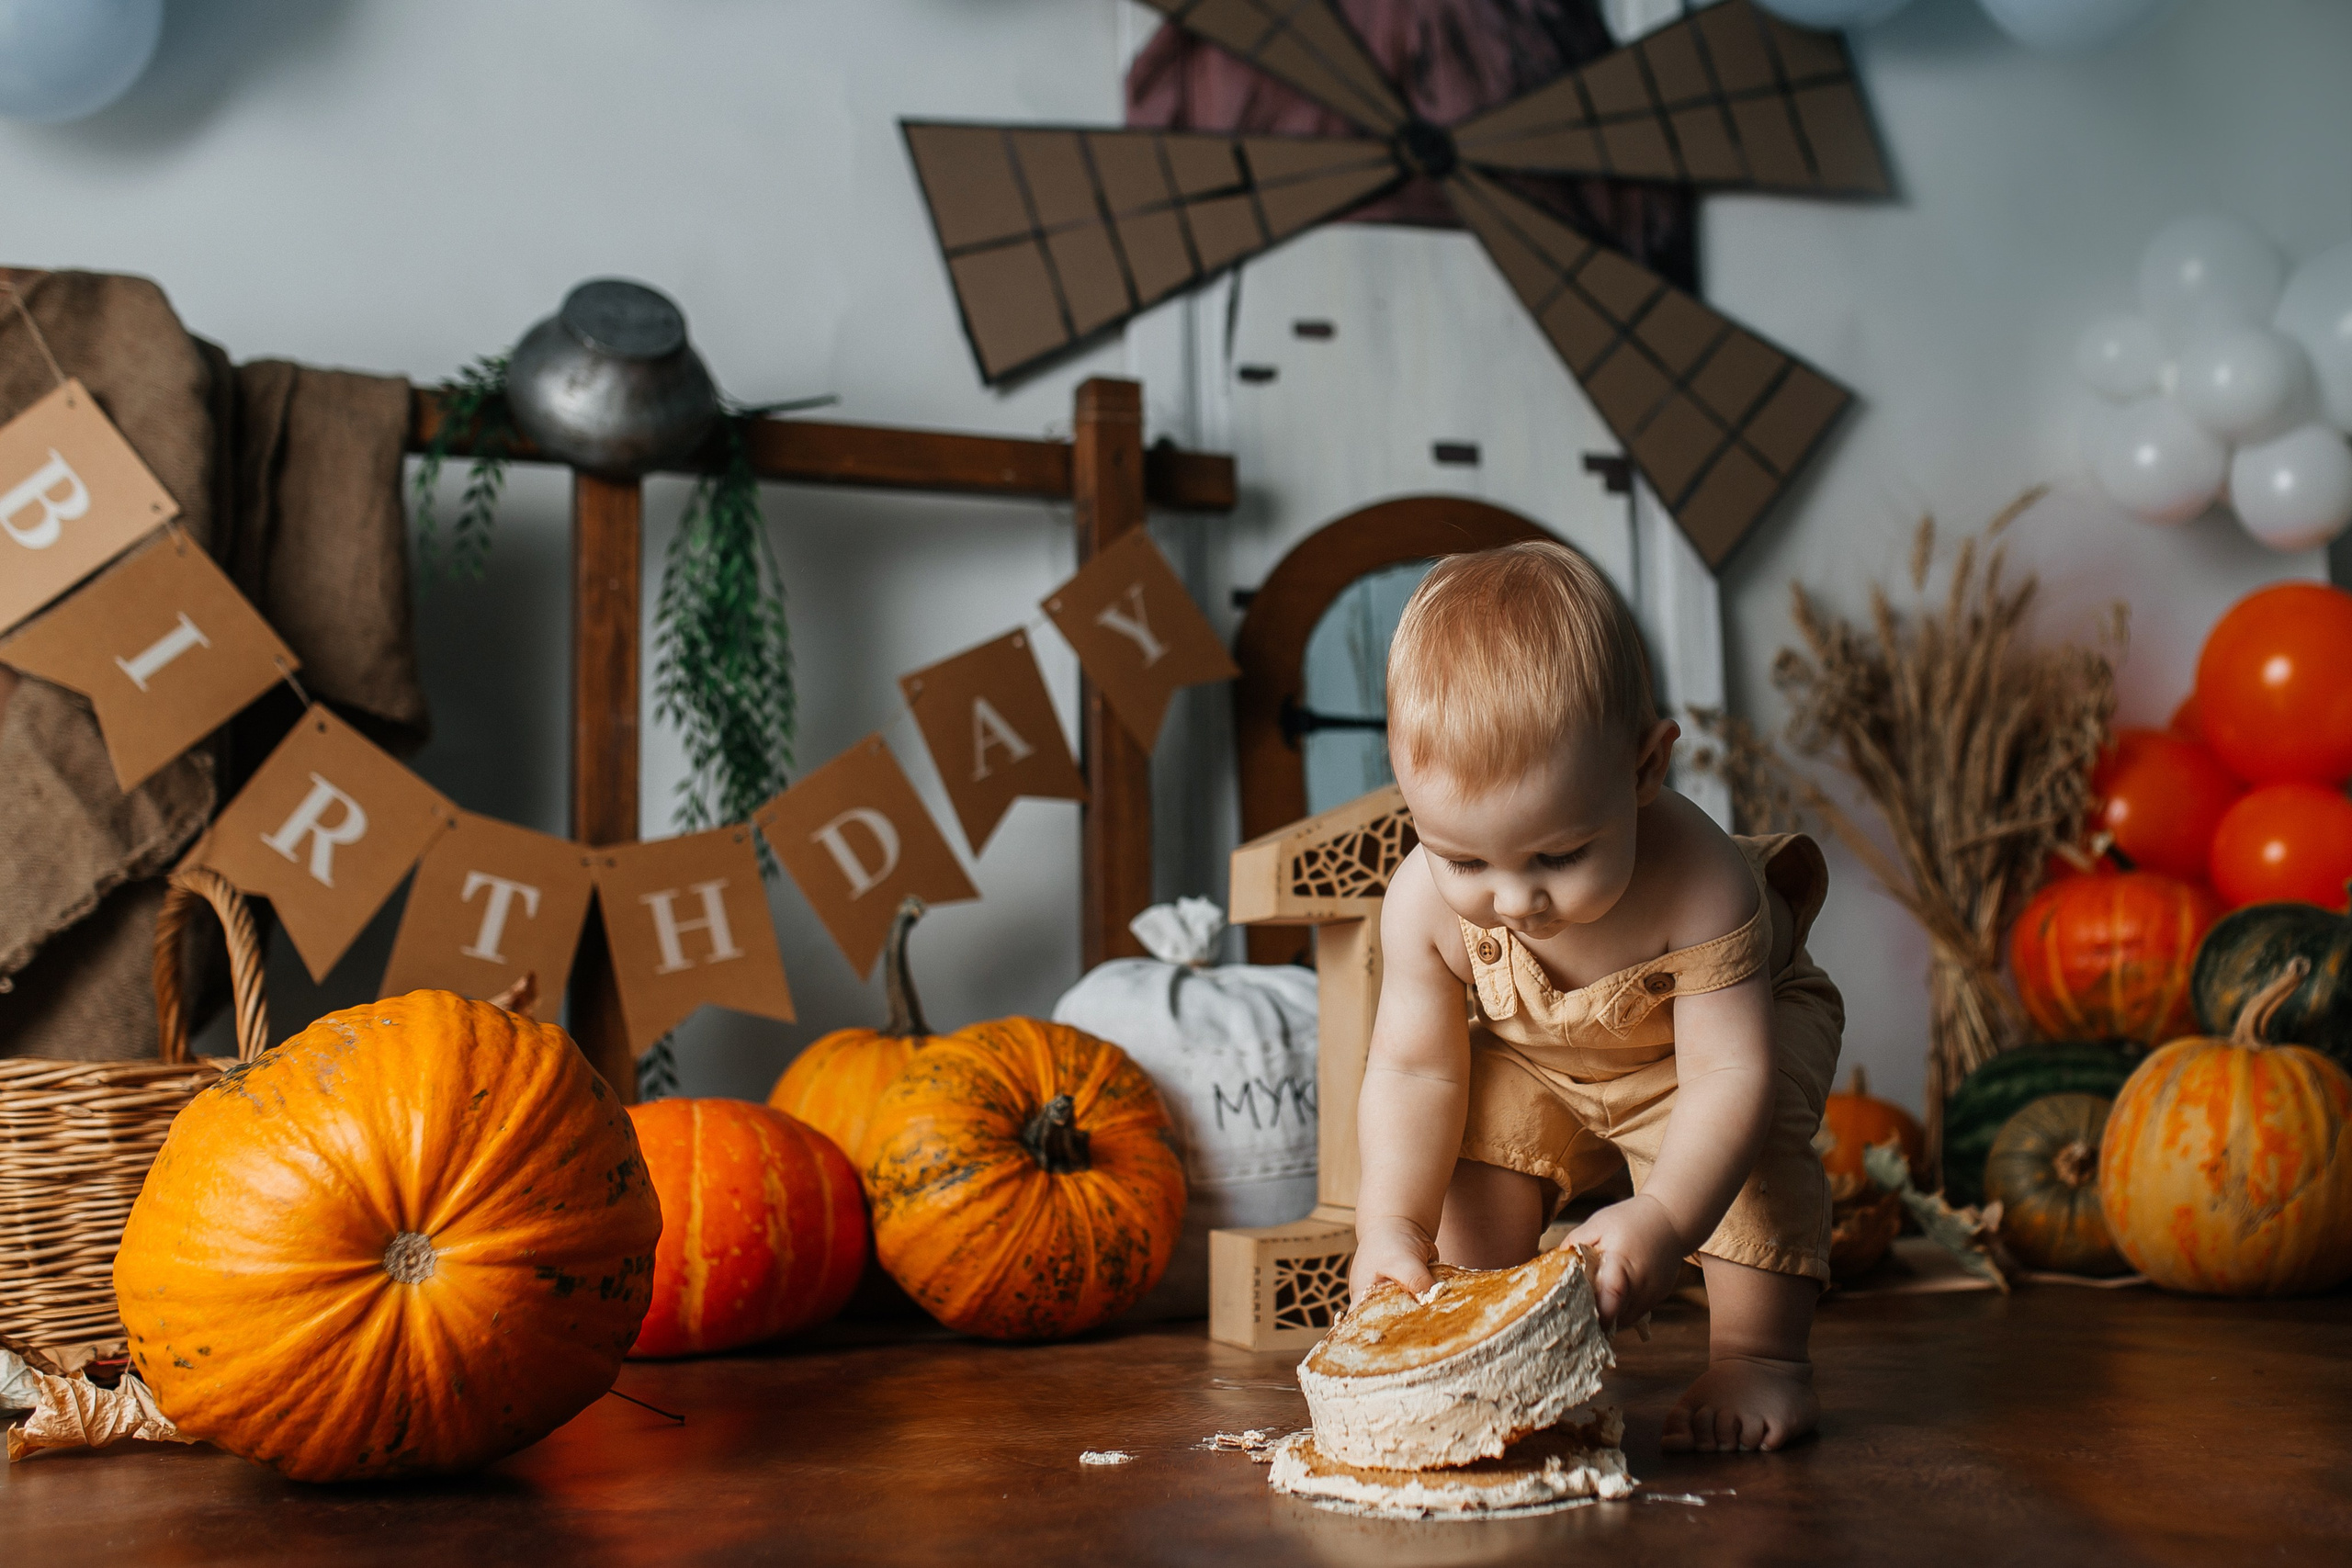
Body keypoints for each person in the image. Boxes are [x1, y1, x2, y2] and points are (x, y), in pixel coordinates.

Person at [1351, 539, 1844, 1453]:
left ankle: (1761, 1356)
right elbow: (1414, 1071)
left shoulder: (1701, 887)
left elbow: (1726, 1075)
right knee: (1471, 1127)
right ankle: (1481, 1323)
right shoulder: (1422, 900)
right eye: (1463, 858)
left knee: (1760, 1141)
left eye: (1556, 855)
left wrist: (1660, 1219)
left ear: (1645, 769)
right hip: (1546, 1054)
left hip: (1717, 1051)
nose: (1511, 900)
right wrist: (1389, 1225)